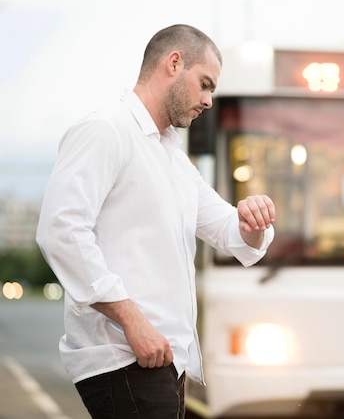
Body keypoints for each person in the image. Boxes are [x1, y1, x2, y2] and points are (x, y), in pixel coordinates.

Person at [36, 24, 276, 418]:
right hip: (124, 357)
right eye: (205, 84)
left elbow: (230, 232)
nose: (209, 100)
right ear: (174, 63)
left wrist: (253, 221)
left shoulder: (173, 159)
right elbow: (60, 231)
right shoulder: (106, 130)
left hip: (163, 363)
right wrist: (134, 323)